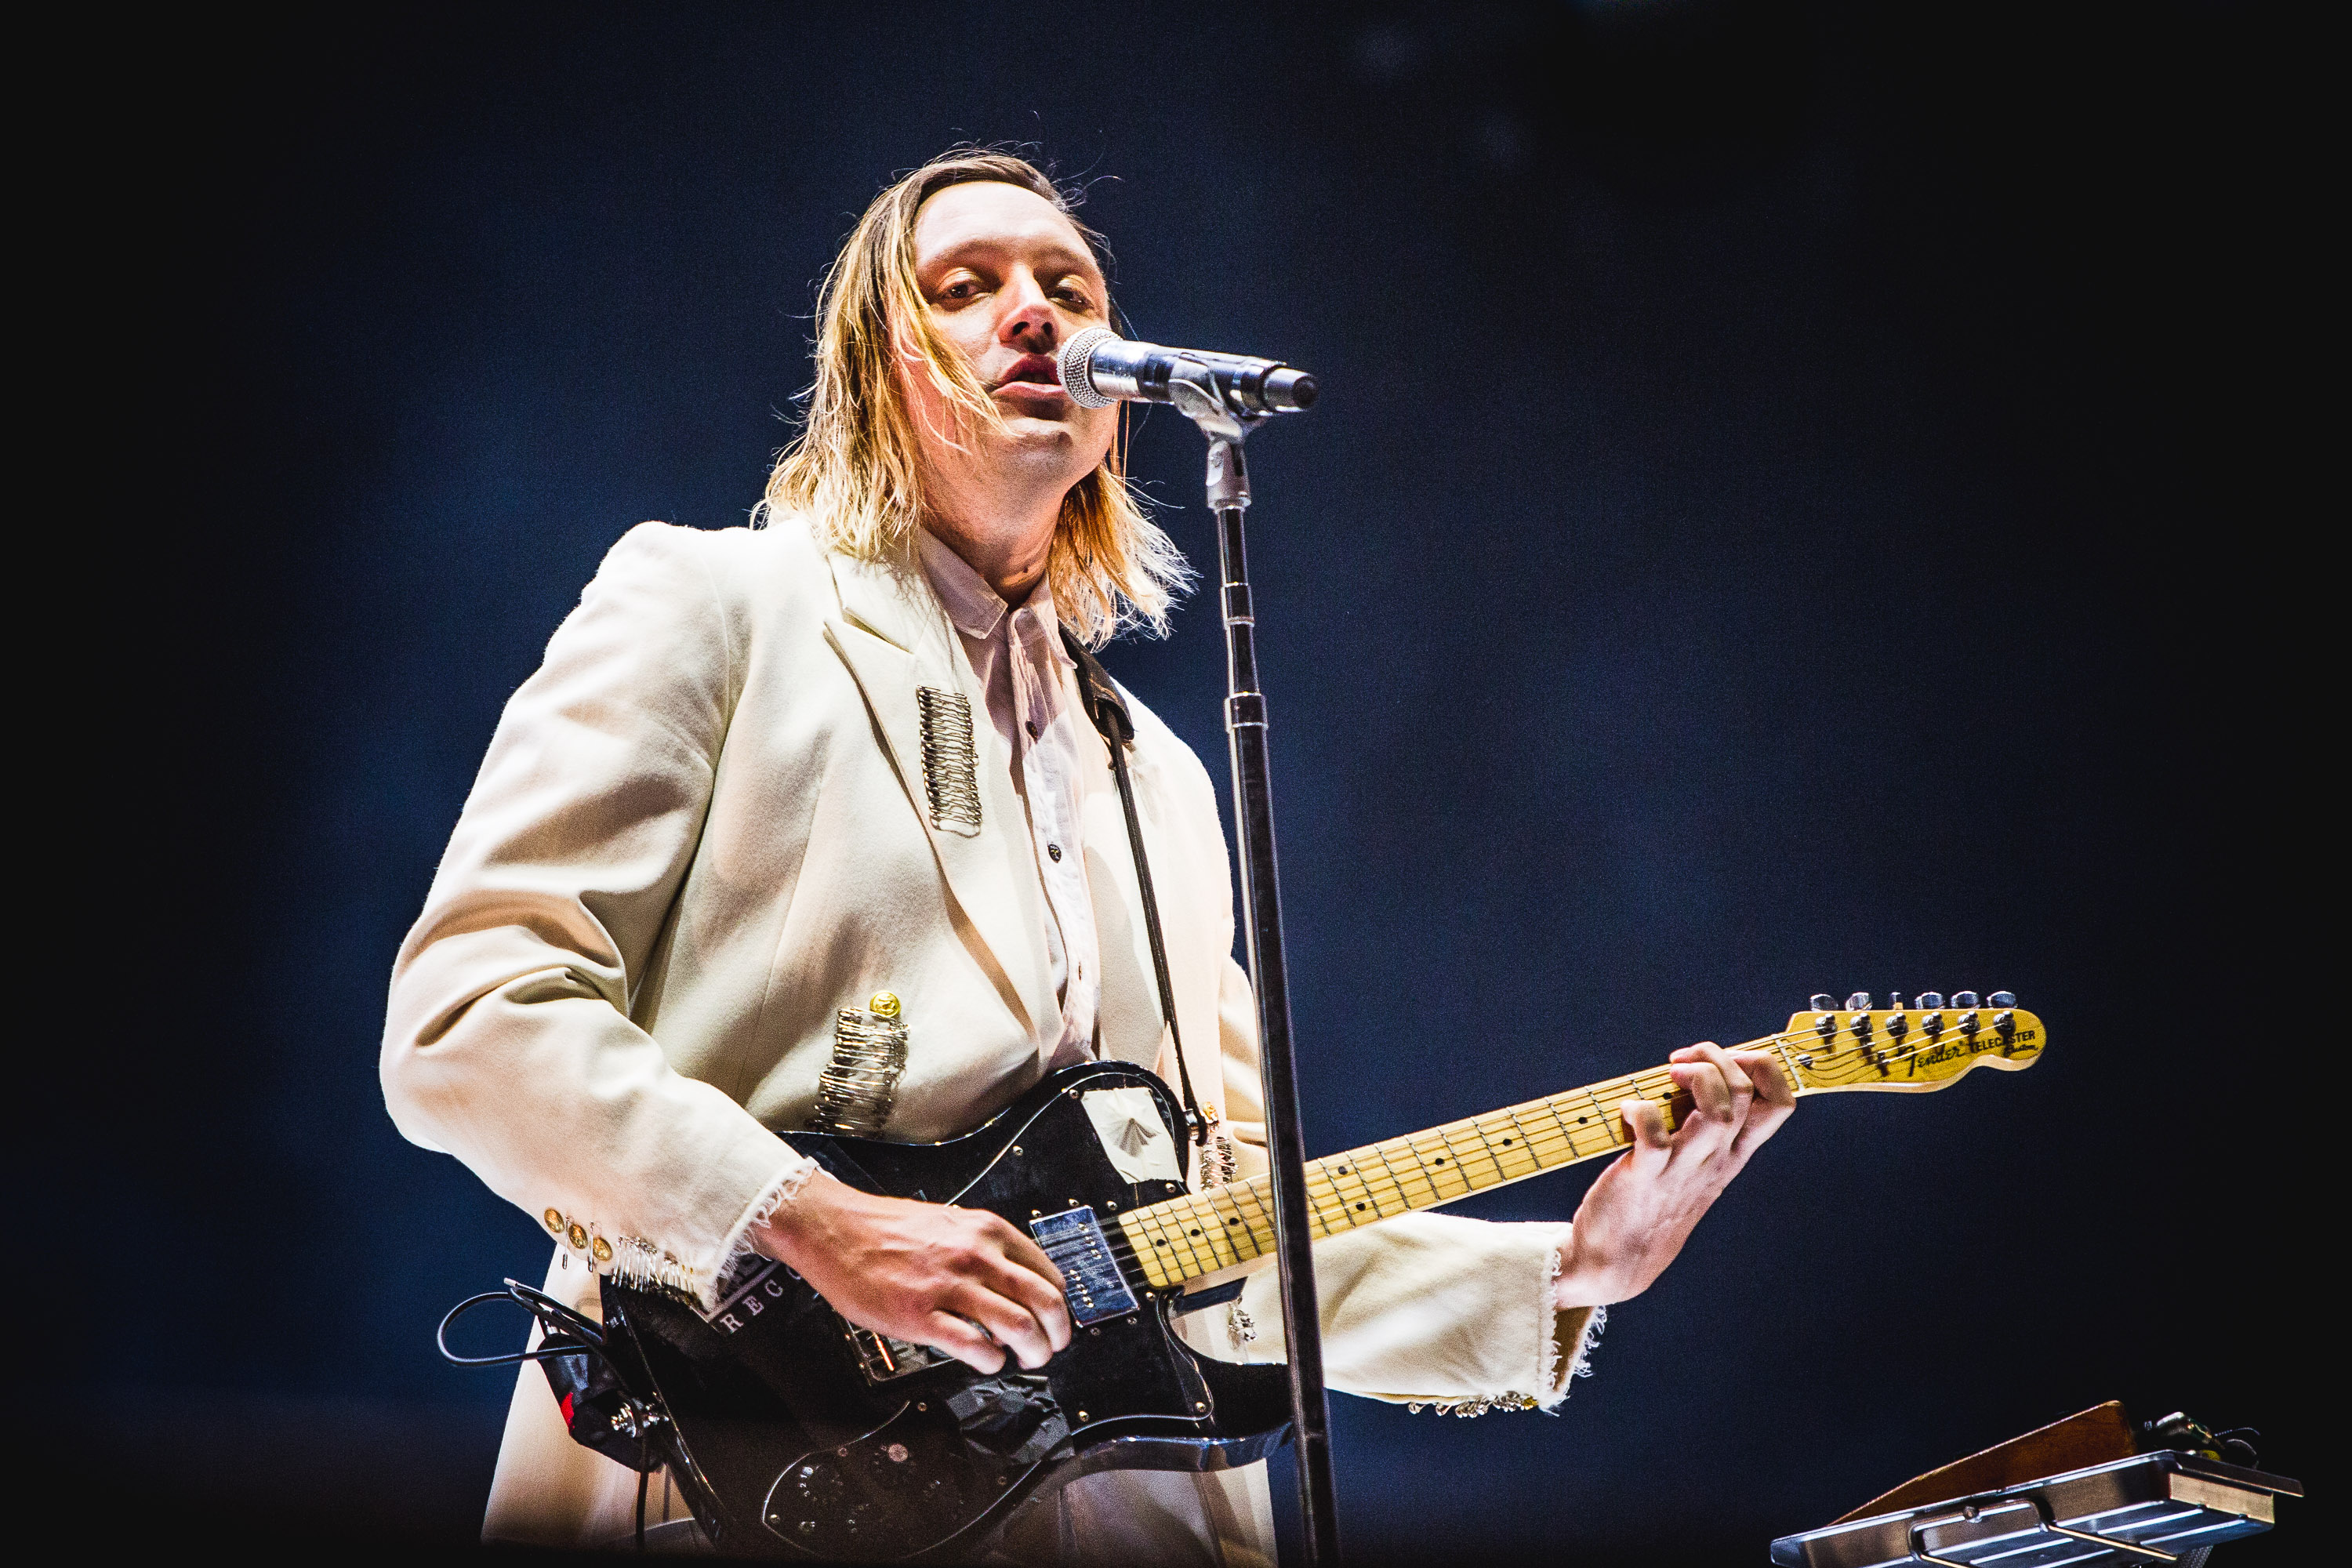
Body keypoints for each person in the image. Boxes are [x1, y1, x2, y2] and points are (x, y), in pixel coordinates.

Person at [380, 148, 1796, 1563]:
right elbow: (471, 1014)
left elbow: (1215, 1217)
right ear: (875, 363)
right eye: (966, 287)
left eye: (1069, 287)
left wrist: (1569, 1272)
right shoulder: (717, 604)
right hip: (755, 1477)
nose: (1035, 312)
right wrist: (807, 1218)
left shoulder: (1155, 771)